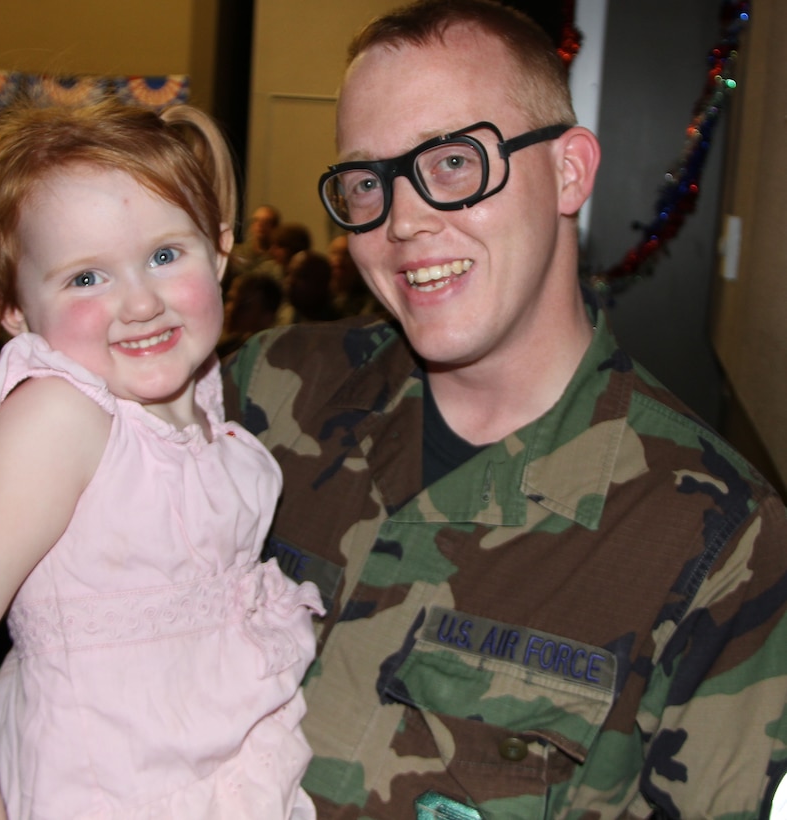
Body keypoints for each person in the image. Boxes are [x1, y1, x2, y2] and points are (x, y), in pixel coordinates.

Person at [222, 1, 787, 817]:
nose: (403, 221)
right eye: (366, 182)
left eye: (453, 162)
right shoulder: (267, 394)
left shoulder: (721, 547)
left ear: (569, 171)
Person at [0, 98, 323, 819]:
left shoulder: (208, 408)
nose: (141, 303)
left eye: (163, 255)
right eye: (86, 278)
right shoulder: (61, 415)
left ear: (218, 251)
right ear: (15, 311)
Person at [232, 203, 281, 273]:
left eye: (266, 222)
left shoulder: (278, 258)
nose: (260, 225)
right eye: (256, 220)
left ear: (275, 227)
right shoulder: (236, 254)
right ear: (252, 225)